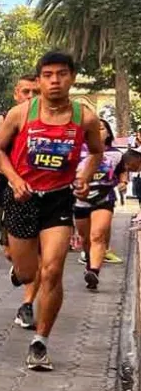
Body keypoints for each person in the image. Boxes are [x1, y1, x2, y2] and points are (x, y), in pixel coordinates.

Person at [0, 51, 104, 371]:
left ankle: (40, 342)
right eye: (47, 74)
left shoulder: (85, 117)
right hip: (22, 198)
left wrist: (85, 175)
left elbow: (97, 152)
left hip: (58, 200)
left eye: (61, 74)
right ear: (40, 78)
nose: (54, 80)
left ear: (72, 77)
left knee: (53, 271)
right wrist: (14, 179)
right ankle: (19, 270)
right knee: (29, 273)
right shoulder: (21, 114)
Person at [2, 74, 43, 328]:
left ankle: (27, 305)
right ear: (16, 94)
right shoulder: (6, 120)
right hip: (7, 194)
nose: (30, 97)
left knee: (41, 256)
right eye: (26, 92)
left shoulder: (55, 123)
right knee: (12, 254)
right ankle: (19, 267)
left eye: (35, 92)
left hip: (46, 198)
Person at [74, 120, 134, 289]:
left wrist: (123, 182)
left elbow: (122, 171)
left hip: (104, 198)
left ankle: (94, 271)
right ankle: (88, 260)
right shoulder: (78, 151)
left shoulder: (116, 154)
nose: (97, 132)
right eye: (93, 129)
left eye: (101, 129)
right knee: (86, 238)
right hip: (81, 199)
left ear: (108, 133)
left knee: (97, 235)